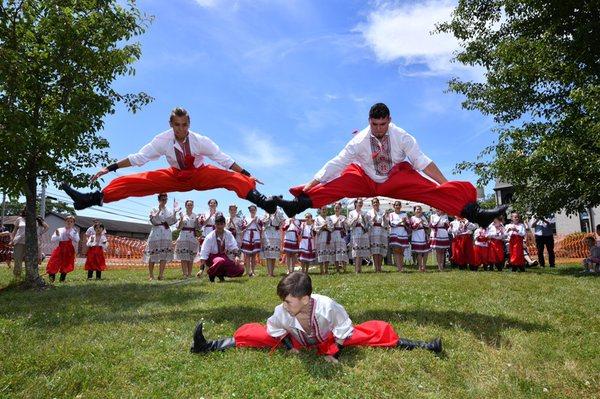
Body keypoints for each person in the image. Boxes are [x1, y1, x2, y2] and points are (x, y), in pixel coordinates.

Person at [275, 103, 507, 226]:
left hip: (393, 180)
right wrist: (311, 183)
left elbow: (422, 162)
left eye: (383, 124)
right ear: (369, 122)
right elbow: (336, 163)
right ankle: (296, 205)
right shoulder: (358, 141)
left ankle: (477, 214)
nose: (379, 129)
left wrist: (448, 187)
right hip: (364, 177)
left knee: (429, 189)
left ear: (390, 120)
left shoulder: (402, 136)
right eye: (375, 124)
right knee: (338, 182)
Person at [60, 107, 277, 213]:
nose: (181, 129)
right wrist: (110, 167)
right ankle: (89, 199)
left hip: (200, 174)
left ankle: (262, 201)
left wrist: (247, 174)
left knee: (232, 177)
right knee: (136, 181)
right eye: (177, 125)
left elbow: (224, 159)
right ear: (171, 125)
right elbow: (139, 158)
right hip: (175, 176)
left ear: (189, 124)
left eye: (184, 125)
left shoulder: (201, 141)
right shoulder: (162, 140)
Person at [190, 272, 442, 361]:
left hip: (330, 339)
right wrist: (290, 347)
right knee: (256, 333)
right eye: (283, 301)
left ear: (305, 299)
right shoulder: (282, 311)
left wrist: (334, 354)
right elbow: (275, 329)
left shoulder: (328, 307)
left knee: (371, 334)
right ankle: (208, 346)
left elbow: (343, 330)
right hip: (299, 340)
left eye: (289, 301)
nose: (285, 306)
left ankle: (425, 346)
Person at [196, 214, 244, 282]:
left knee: (240, 270)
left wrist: (236, 256)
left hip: (223, 256)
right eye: (217, 224)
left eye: (221, 224)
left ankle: (220, 275)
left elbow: (234, 246)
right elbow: (204, 252)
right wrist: (201, 269)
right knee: (220, 261)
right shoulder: (209, 237)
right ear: (215, 225)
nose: (219, 226)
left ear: (224, 224)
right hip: (211, 257)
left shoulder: (228, 234)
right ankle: (211, 274)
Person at [144, 193, 177, 280]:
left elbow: (172, 221)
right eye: (162, 199)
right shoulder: (154, 208)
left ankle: (161, 275)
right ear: (159, 200)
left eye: (165, 199)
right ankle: (151, 275)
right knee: (153, 254)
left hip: (166, 232)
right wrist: (159, 210)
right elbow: (153, 220)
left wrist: (175, 213)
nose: (164, 201)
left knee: (164, 254)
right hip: (156, 231)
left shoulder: (168, 210)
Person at [46, 215, 80, 283]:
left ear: (73, 223)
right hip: (60, 248)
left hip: (69, 249)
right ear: (65, 221)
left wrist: (72, 235)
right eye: (68, 221)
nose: (69, 222)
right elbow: (53, 239)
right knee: (54, 262)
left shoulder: (74, 231)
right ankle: (51, 280)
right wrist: (58, 235)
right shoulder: (59, 229)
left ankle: (62, 280)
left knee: (66, 264)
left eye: (71, 221)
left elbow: (77, 240)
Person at [175, 200, 200, 278]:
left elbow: (197, 227)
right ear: (185, 206)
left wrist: (198, 221)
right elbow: (179, 227)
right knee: (183, 255)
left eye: (191, 205)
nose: (189, 206)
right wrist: (181, 219)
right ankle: (184, 273)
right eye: (188, 205)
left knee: (190, 256)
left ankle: (189, 273)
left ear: (193, 206)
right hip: (183, 236)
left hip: (192, 236)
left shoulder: (195, 215)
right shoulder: (182, 215)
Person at [347, 199, 370, 273]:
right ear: (355, 204)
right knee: (356, 251)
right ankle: (356, 269)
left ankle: (360, 269)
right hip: (355, 232)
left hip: (363, 233)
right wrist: (355, 219)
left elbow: (367, 224)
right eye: (359, 203)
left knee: (361, 252)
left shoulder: (364, 213)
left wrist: (365, 223)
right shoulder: (351, 213)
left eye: (361, 203)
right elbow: (349, 224)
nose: (360, 204)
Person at [368, 197, 389, 273]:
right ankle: (376, 268)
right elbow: (368, 223)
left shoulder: (383, 211)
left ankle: (379, 267)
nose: (375, 204)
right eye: (374, 202)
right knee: (375, 251)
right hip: (373, 232)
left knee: (381, 250)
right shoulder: (369, 212)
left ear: (379, 203)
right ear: (372, 204)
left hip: (382, 232)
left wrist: (384, 218)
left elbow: (386, 223)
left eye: (377, 202)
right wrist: (372, 220)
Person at [240, 205, 262, 277]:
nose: (252, 211)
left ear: (256, 210)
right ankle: (247, 271)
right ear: (249, 211)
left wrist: (255, 222)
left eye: (254, 210)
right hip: (248, 235)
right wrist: (252, 221)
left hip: (255, 236)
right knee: (247, 255)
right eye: (251, 210)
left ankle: (253, 271)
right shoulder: (246, 218)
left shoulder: (258, 218)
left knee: (253, 255)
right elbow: (243, 227)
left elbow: (260, 228)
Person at [262, 209, 285, 277]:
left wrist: (279, 226)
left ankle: (272, 272)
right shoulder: (265, 214)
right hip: (267, 234)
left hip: (276, 235)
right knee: (268, 254)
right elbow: (263, 223)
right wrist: (268, 216)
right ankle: (269, 273)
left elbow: (282, 221)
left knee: (274, 254)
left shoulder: (278, 212)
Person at [388, 201, 410, 272]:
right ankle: (399, 267)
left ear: (401, 206)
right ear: (394, 206)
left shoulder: (404, 214)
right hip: (395, 233)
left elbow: (408, 224)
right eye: (396, 205)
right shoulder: (391, 214)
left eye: (399, 205)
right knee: (396, 251)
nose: (397, 206)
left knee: (401, 251)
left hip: (403, 233)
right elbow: (392, 224)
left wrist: (406, 222)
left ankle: (401, 266)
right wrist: (401, 221)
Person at [314, 206, 334, 275]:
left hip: (328, 237)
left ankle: (326, 270)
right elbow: (315, 228)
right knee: (321, 254)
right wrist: (322, 226)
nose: (324, 210)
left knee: (327, 254)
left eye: (325, 209)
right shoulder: (317, 218)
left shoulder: (329, 218)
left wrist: (327, 227)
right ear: (320, 210)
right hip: (321, 237)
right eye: (323, 209)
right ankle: (321, 270)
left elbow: (332, 227)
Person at [330, 202, 349, 273]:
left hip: (341, 235)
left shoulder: (343, 217)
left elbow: (347, 227)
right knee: (335, 251)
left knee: (343, 250)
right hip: (334, 234)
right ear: (334, 209)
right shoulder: (331, 217)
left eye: (338, 208)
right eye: (336, 208)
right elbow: (330, 228)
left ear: (340, 209)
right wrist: (336, 222)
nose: (337, 209)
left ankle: (344, 269)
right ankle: (337, 269)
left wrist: (344, 223)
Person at [410, 206, 430, 272]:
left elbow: (427, 226)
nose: (418, 211)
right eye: (417, 209)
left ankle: (424, 266)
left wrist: (424, 223)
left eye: (420, 209)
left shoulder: (423, 217)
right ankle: (420, 267)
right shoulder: (412, 218)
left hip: (423, 235)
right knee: (419, 252)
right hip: (416, 235)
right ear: (414, 211)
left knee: (426, 251)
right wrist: (419, 223)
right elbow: (412, 227)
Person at [9, 209, 27, 278]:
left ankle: (29, 276)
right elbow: (14, 231)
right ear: (24, 211)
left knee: (28, 260)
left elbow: (44, 227)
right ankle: (17, 276)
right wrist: (11, 240)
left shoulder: (35, 220)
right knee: (17, 259)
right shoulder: (19, 219)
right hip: (19, 241)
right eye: (26, 210)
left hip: (30, 243)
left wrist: (40, 234)